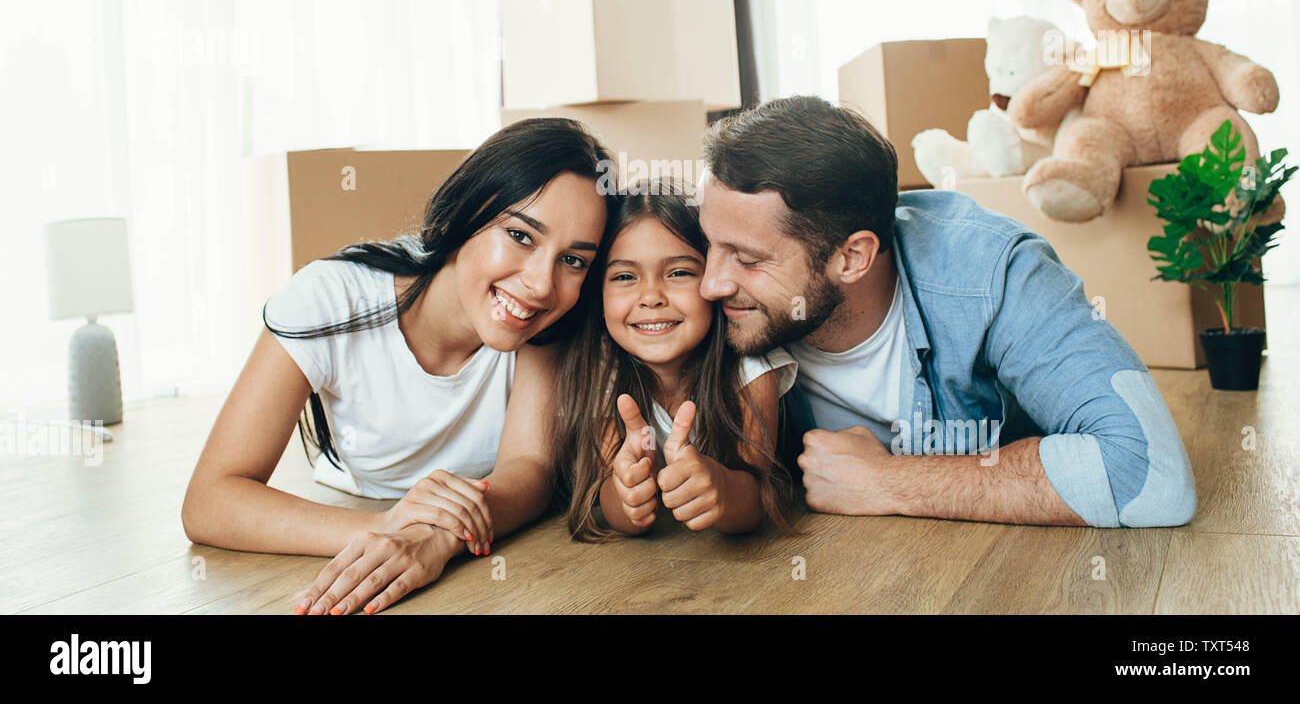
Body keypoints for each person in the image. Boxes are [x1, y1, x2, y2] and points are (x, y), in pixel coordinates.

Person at [694, 95, 1197, 528]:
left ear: (852, 257)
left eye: (749, 259)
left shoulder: (991, 272)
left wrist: (890, 481)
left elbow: (1150, 473)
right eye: (709, 244)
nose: (711, 284)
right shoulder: (703, 292)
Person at [181, 118, 615, 614]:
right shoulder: (329, 297)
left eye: (574, 261)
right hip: (361, 499)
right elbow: (209, 501)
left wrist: (439, 538)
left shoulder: (546, 324)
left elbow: (529, 469)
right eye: (520, 235)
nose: (541, 283)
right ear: (466, 214)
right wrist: (392, 528)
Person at [550, 181, 798, 540]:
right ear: (598, 296)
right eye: (624, 277)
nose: (651, 297)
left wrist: (722, 489)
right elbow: (610, 498)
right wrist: (629, 495)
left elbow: (758, 496)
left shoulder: (750, 366)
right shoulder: (601, 370)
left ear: (713, 280)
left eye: (679, 272)